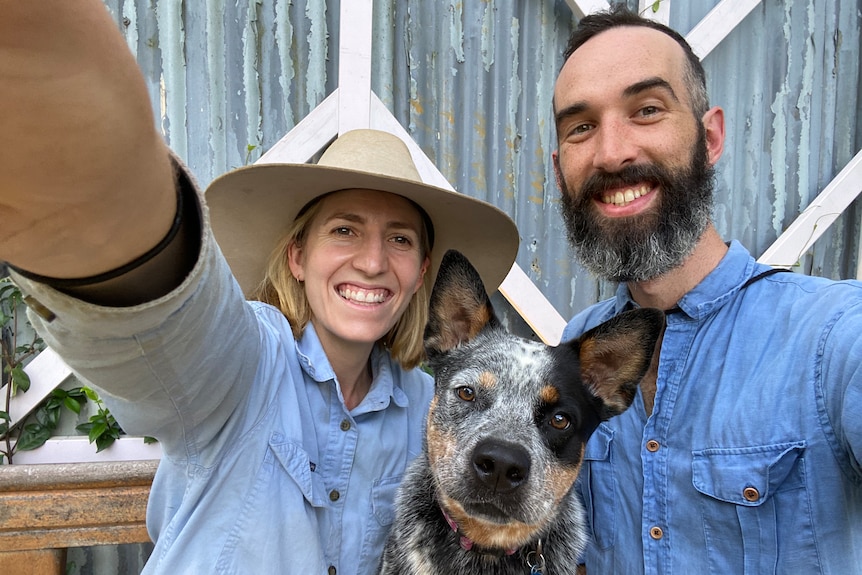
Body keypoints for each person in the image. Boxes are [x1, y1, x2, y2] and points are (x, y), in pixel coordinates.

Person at [0, 2, 519, 574]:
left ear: (421, 272)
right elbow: (165, 330)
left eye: (400, 240)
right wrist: (95, 189)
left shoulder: (428, 408)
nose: (373, 262)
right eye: (344, 230)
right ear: (297, 256)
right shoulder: (248, 363)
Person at [551, 5, 862, 574]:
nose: (612, 151)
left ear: (710, 135)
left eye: (646, 110)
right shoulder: (572, 347)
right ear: (558, 166)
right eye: (581, 127)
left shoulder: (834, 339)